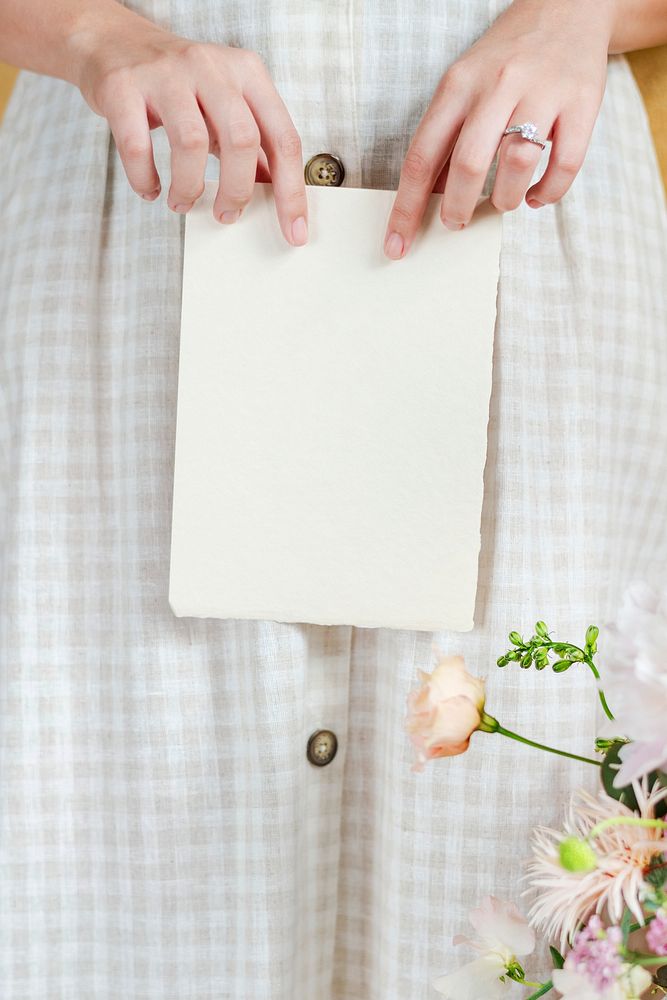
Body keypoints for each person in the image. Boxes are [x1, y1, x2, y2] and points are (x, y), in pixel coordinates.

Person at [0, 1, 666, 997]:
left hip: (525, 221)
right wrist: (98, 37)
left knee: (524, 865)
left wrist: (582, 15)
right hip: (135, 232)